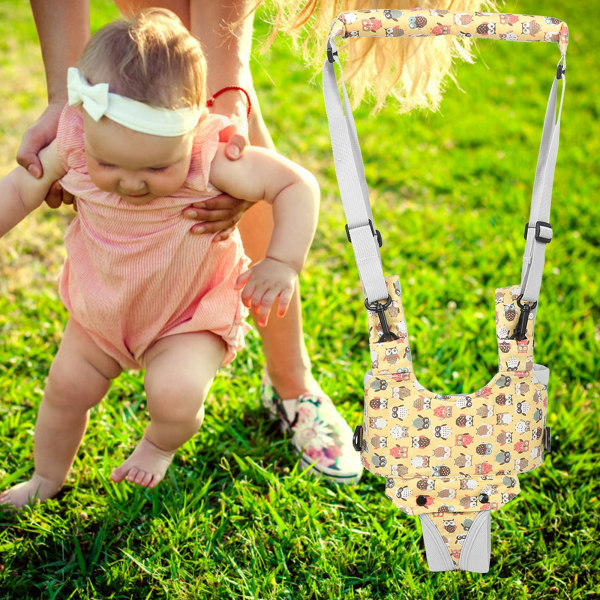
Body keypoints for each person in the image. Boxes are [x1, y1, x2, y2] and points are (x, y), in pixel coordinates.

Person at [17, 0, 366, 487]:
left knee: (175, 398)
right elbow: (18, 190)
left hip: (187, 317)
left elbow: (297, 185)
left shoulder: (209, 152)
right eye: (110, 165)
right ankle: (45, 479)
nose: (131, 184)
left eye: (157, 168)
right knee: (64, 392)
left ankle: (161, 444)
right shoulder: (77, 136)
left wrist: (282, 262)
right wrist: (60, 103)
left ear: (193, 129)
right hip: (99, 314)